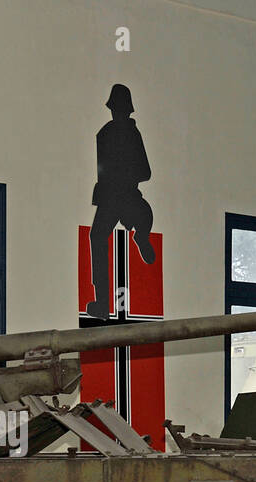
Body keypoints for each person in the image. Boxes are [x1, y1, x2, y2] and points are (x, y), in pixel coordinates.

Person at [85, 84, 156, 320]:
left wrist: (120, 176)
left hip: (118, 195)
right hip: (117, 196)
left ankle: (142, 237)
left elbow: (145, 172)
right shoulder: (109, 134)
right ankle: (103, 302)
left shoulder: (112, 134)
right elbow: (141, 172)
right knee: (97, 237)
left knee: (100, 236)